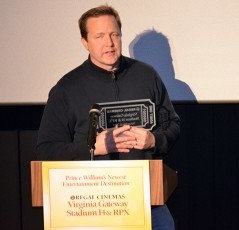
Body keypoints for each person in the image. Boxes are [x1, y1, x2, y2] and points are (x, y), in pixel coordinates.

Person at [36, 4, 180, 230]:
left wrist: (154, 140)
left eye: (114, 34)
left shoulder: (147, 76)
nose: (110, 43)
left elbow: (172, 124)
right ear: (85, 42)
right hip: (92, 206)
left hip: (147, 201)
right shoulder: (67, 88)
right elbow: (46, 149)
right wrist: (92, 147)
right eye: (99, 36)